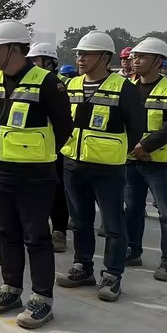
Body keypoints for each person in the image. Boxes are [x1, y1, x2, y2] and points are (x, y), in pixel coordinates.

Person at [0, 21, 74, 326]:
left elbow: (64, 127)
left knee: (36, 237)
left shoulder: (47, 82)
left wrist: (38, 155)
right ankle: (11, 288)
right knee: (6, 233)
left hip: (33, 176)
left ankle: (42, 298)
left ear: (15, 48)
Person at [57, 31, 144, 304]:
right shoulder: (70, 85)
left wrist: (114, 150)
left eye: (87, 54)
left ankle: (112, 274)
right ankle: (83, 267)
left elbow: (137, 127)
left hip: (107, 168)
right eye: (79, 54)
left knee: (112, 224)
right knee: (80, 221)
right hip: (73, 164)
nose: (81, 59)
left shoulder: (123, 87)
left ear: (105, 58)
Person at [122, 37, 167, 276]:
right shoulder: (126, 85)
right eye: (134, 57)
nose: (135, 61)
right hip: (131, 159)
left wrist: (145, 145)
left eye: (142, 57)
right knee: (132, 209)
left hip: (160, 162)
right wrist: (132, 147)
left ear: (158, 61)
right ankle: (133, 251)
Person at [27, 41, 69, 250]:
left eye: (36, 60)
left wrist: (57, 146)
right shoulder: (27, 84)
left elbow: (64, 122)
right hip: (32, 149)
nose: (32, 64)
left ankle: (59, 231)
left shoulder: (59, 85)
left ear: (50, 62)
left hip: (56, 148)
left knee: (57, 191)